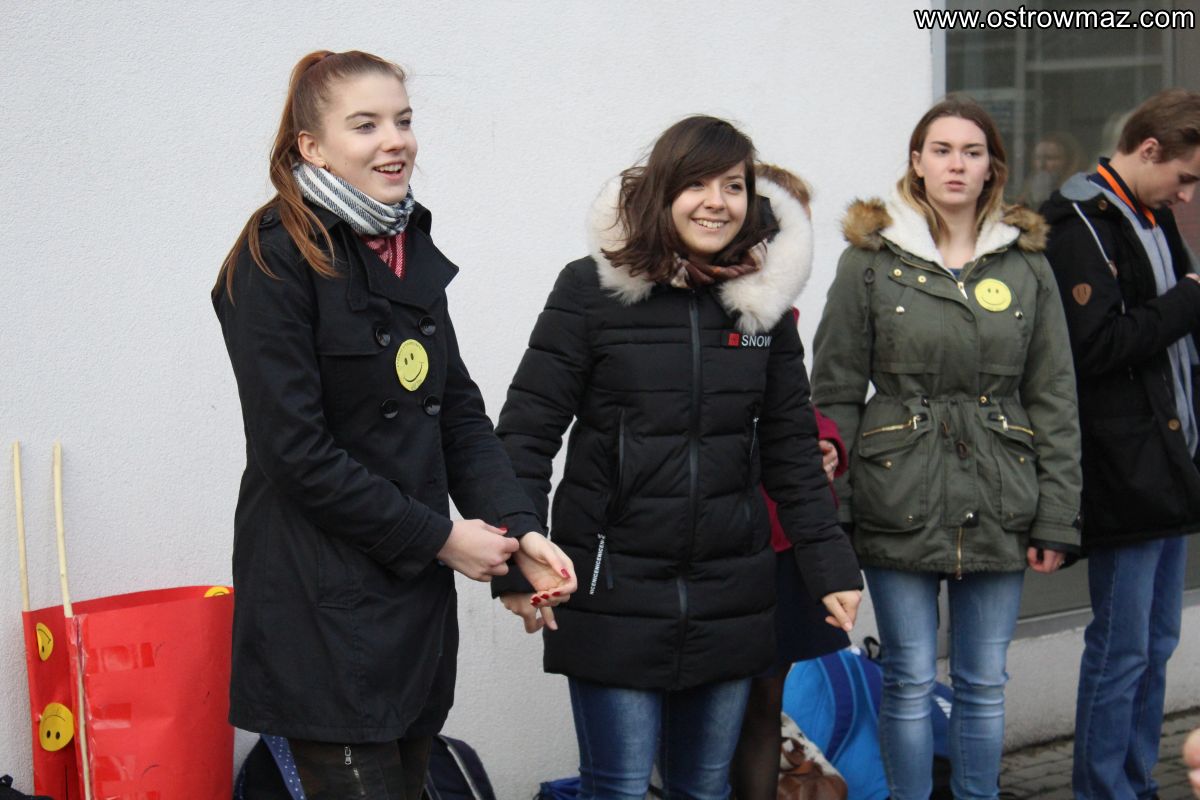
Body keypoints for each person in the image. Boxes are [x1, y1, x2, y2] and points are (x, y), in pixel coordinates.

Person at [211, 50, 575, 799]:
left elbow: (458, 415)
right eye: (366, 124)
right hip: (320, 606)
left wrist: (518, 537)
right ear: (312, 146)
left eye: (403, 121)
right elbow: (295, 453)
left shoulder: (404, 247)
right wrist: (442, 539)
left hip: (408, 607)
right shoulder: (274, 259)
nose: (395, 141)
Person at [494, 117, 863, 800]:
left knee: (703, 789)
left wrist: (831, 566)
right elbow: (525, 433)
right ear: (662, 190)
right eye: (696, 184)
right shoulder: (591, 289)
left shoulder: (762, 307)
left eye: (733, 186)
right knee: (620, 788)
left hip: (730, 592)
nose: (716, 202)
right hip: (612, 586)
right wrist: (516, 555)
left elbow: (790, 451)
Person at [812, 96, 1082, 800]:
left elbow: (1054, 394)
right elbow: (834, 393)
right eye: (941, 150)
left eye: (972, 151)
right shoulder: (871, 260)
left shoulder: (1025, 264)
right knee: (906, 677)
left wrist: (1058, 515)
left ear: (993, 166)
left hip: (1001, 494)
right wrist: (834, 511)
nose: (956, 164)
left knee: (984, 682)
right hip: (895, 491)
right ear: (917, 162)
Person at [1039, 88, 1200, 800]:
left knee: (1157, 644)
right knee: (1123, 648)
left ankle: (1136, 782)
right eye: (1185, 177)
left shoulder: (1152, 213)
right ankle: (1104, 789)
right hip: (1123, 469)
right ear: (1149, 149)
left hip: (1168, 465)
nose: (1188, 195)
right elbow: (1096, 346)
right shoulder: (1076, 223)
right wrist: (1191, 296)